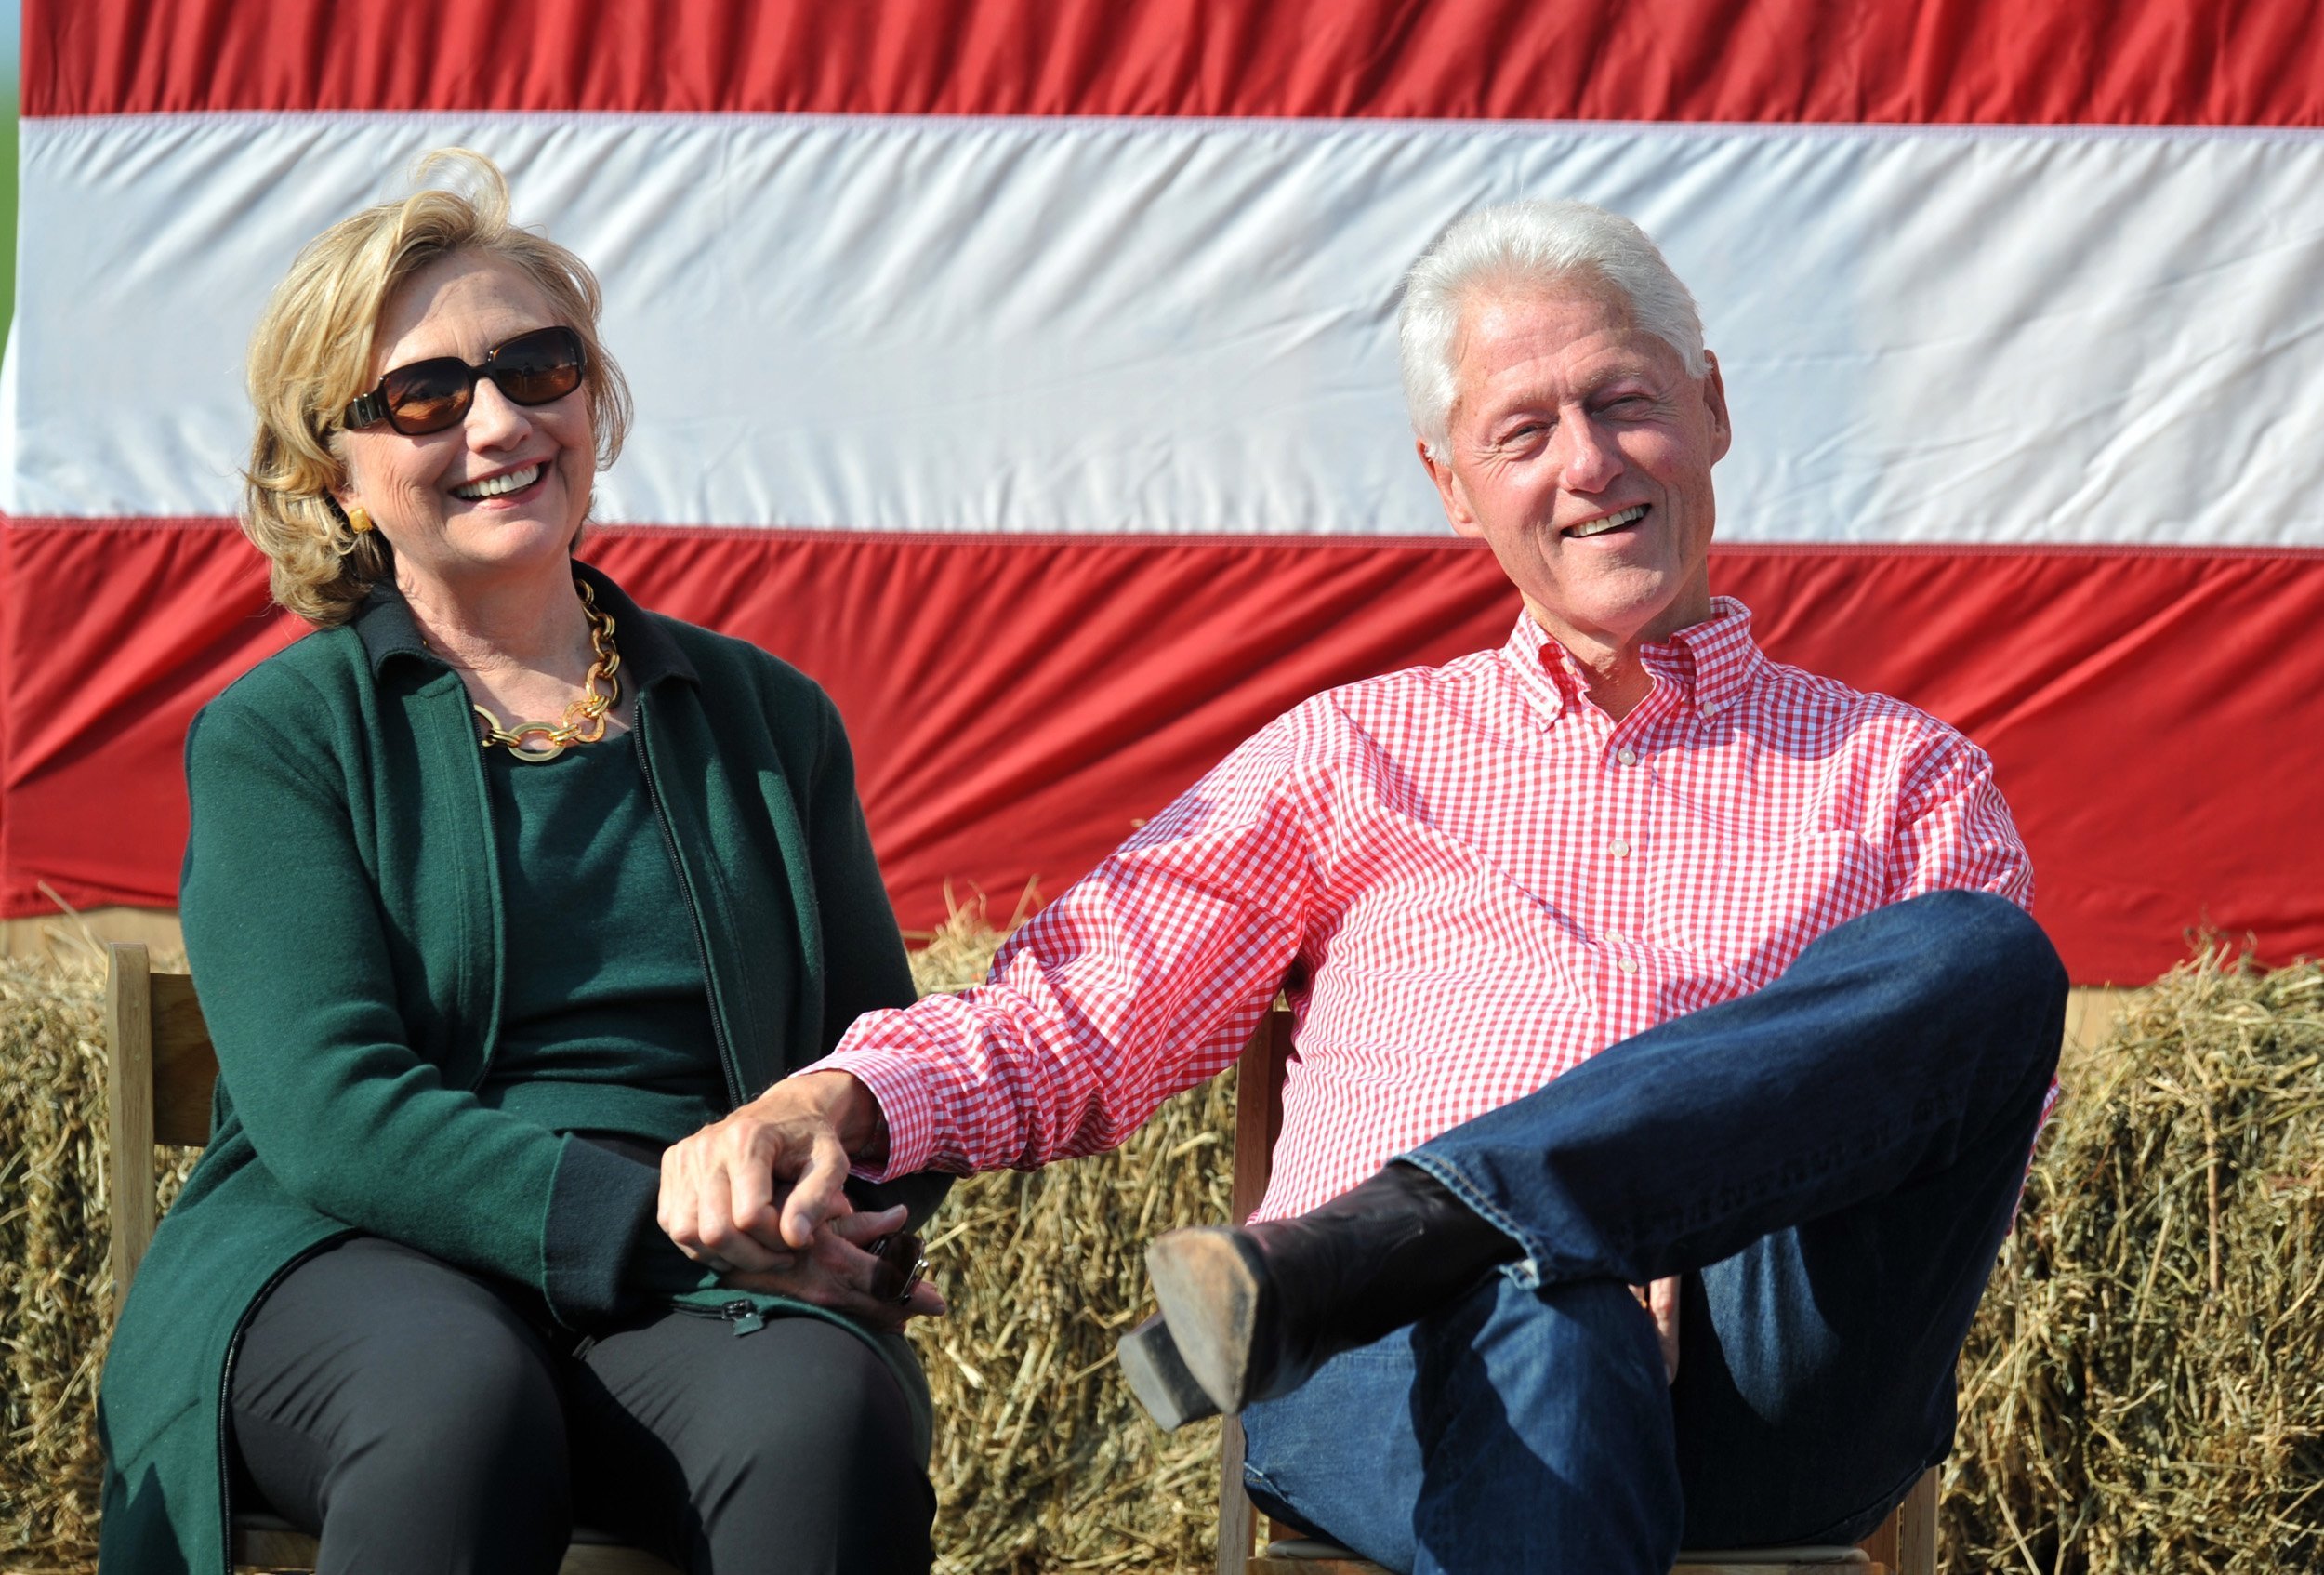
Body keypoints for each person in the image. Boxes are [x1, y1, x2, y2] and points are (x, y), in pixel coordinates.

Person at [659, 198, 2067, 1575]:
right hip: (1407, 1360)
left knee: (1985, 959)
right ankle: (1455, 1246)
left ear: (1710, 406)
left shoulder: (1906, 777)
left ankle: (1420, 1220)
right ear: (1454, 484)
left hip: (1772, 1373)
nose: (1588, 462)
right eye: (1523, 431)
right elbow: (1082, 1007)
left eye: (1627, 401)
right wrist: (833, 1097)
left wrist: (1664, 1226)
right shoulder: (1355, 753)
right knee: (1543, 1312)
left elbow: (1972, 1151)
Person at [95, 150, 947, 1575]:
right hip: (351, 1252)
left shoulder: (766, 718)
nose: (498, 421)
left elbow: (889, 1055)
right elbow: (332, 1116)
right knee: (457, 1402)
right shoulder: (282, 736)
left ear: (591, 402)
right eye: (424, 394)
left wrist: (823, 1201)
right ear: (334, 470)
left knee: (824, 1413)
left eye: (538, 367)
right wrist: (665, 1222)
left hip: (695, 1288)